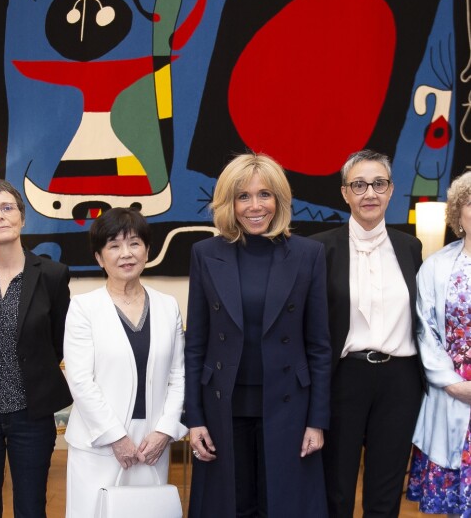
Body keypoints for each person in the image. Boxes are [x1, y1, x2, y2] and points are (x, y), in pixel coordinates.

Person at [185, 152, 331, 517]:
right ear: (228, 203)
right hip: (223, 405)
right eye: (243, 196)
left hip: (288, 405)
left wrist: (317, 420)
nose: (255, 206)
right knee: (230, 505)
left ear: (279, 200)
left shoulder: (309, 254)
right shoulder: (205, 253)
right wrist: (195, 417)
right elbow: (196, 344)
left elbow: (319, 347)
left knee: (281, 504)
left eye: (265, 194)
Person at [311, 149, 423, 518]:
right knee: (336, 488)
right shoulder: (319, 249)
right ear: (345, 193)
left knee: (386, 488)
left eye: (379, 184)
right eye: (359, 185)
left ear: (391, 190)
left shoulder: (410, 247)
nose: (369, 193)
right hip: (345, 377)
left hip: (401, 380)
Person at [0, 178, 72, 518]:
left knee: (31, 507)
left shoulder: (52, 274)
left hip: (31, 415)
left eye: (7, 208)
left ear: (21, 216)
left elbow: (57, 342)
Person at [63, 207, 186, 517]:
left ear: (147, 250)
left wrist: (165, 431)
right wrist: (116, 437)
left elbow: (178, 375)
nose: (126, 253)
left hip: (152, 443)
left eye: (134, 243)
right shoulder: (83, 308)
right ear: (99, 257)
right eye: (113, 245)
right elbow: (80, 380)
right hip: (99, 443)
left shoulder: (167, 306)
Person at [407, 171, 471, 517]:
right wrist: (452, 383)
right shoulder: (435, 266)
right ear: (457, 214)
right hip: (451, 391)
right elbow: (423, 329)